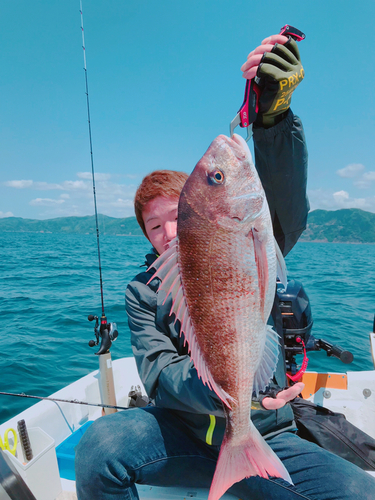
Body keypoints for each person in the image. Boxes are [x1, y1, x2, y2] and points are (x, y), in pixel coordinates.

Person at [75, 34, 375, 499]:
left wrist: (271, 122)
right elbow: (158, 373)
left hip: (267, 429)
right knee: (99, 448)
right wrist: (227, 394)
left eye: (178, 215)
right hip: (184, 434)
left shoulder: (249, 235)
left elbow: (287, 212)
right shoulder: (142, 291)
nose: (169, 233)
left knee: (359, 493)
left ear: (198, 211)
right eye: (154, 227)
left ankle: (250, 457)